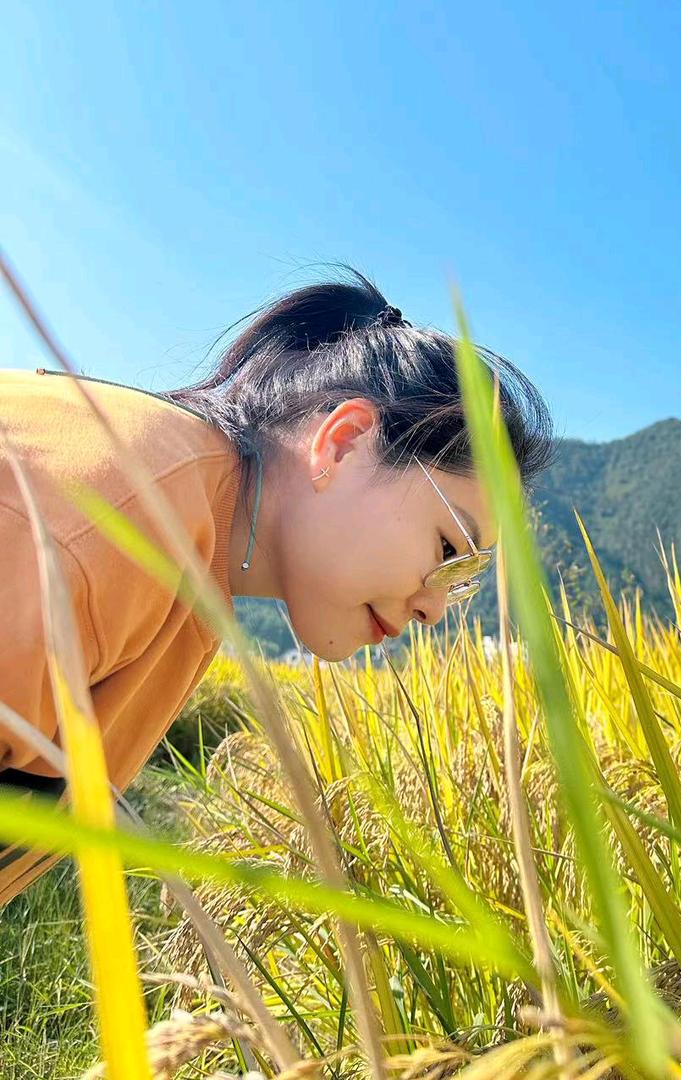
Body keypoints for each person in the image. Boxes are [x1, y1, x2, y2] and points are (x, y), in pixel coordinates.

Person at [0, 266, 555, 904]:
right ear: (343, 445)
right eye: (449, 548)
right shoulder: (130, 518)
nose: (435, 607)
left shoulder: (192, 575)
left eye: (465, 581)